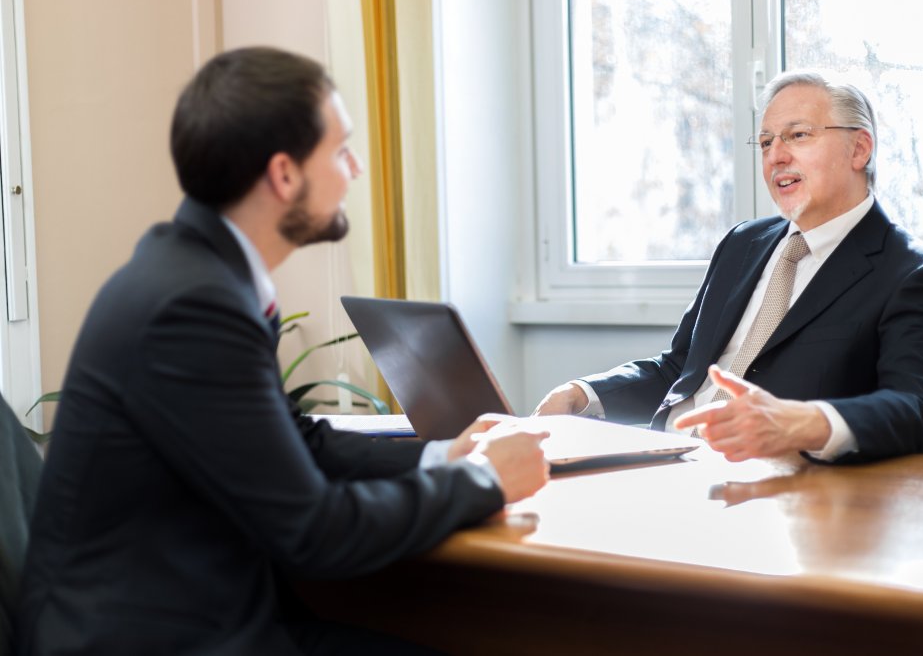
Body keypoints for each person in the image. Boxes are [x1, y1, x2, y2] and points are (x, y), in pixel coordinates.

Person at [17, 47, 549, 655]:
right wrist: (481, 480)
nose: (356, 169)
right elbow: (313, 530)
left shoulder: (196, 271)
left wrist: (442, 457)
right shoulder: (194, 306)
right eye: (341, 149)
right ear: (284, 174)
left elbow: (295, 442)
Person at [535, 70, 923, 465]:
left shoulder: (915, 273)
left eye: (797, 135)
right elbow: (680, 369)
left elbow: (916, 412)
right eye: (765, 142)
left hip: (774, 490)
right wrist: (582, 395)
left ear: (859, 148)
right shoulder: (743, 243)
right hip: (666, 462)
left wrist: (803, 422)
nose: (775, 155)